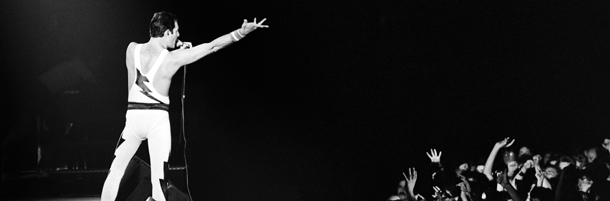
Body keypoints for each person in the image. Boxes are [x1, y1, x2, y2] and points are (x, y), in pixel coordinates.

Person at [100, 11, 268, 201]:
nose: (179, 35)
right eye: (177, 31)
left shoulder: (131, 49)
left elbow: (150, 61)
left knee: (116, 171)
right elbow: (212, 46)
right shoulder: (173, 59)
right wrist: (240, 33)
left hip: (134, 118)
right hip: (156, 121)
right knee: (159, 180)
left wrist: (176, 47)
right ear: (168, 32)